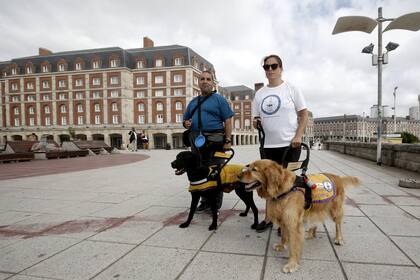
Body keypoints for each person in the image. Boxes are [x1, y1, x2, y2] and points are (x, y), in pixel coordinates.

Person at [252, 54, 308, 233]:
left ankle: (286, 220)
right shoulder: (260, 94)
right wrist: (255, 122)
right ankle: (269, 218)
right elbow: (256, 118)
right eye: (266, 67)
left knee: (287, 185)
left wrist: (298, 135)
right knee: (268, 184)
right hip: (268, 145)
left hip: (290, 144)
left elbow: (304, 114)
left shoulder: (291, 89)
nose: (270, 70)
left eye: (273, 66)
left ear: (281, 68)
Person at [183, 70, 234, 212]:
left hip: (215, 138)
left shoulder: (219, 100)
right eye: (202, 79)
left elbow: (228, 120)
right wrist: (186, 124)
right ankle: (204, 201)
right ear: (198, 82)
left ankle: (215, 205)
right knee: (199, 171)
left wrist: (228, 140)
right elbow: (186, 120)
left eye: (208, 79)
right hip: (196, 139)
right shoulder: (193, 102)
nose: (205, 81)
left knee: (215, 171)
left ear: (212, 83)